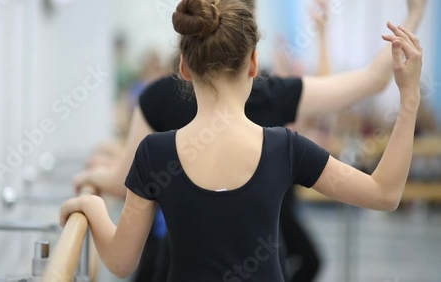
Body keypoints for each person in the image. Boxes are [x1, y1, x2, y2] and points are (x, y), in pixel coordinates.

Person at [61, 0, 423, 281]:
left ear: (184, 68)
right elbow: (385, 194)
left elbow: (122, 262)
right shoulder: (286, 148)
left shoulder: (154, 154)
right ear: (253, 64)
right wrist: (408, 100)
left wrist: (88, 206)